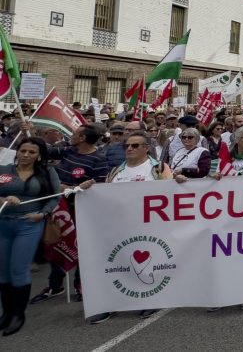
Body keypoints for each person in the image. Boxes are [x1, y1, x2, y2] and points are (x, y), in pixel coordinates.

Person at [90, 131, 172, 324]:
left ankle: (150, 300)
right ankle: (110, 303)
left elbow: (170, 193)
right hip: (120, 225)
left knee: (146, 265)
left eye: (135, 146)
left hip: (149, 226)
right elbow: (106, 196)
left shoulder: (158, 168)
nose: (129, 149)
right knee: (117, 264)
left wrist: (179, 182)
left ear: (146, 148)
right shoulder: (116, 171)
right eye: (127, 145)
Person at [32, 125, 109, 306]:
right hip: (58, 207)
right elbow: (45, 151)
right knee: (55, 242)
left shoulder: (99, 160)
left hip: (79, 210)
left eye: (75, 133)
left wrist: (71, 189)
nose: (71, 136)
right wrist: (32, 134)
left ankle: (80, 284)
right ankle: (54, 285)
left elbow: (98, 188)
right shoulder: (68, 151)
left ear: (82, 138)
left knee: (79, 246)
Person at [0, 137, 61, 336]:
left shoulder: (48, 172)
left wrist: (42, 214)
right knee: (3, 270)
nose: (26, 155)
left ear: (39, 155)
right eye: (22, 150)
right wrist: (3, 198)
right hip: (3, 223)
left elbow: (54, 197)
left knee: (19, 267)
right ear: (17, 151)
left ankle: (18, 314)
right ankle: (7, 313)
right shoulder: (4, 170)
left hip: (29, 224)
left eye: (31, 152)